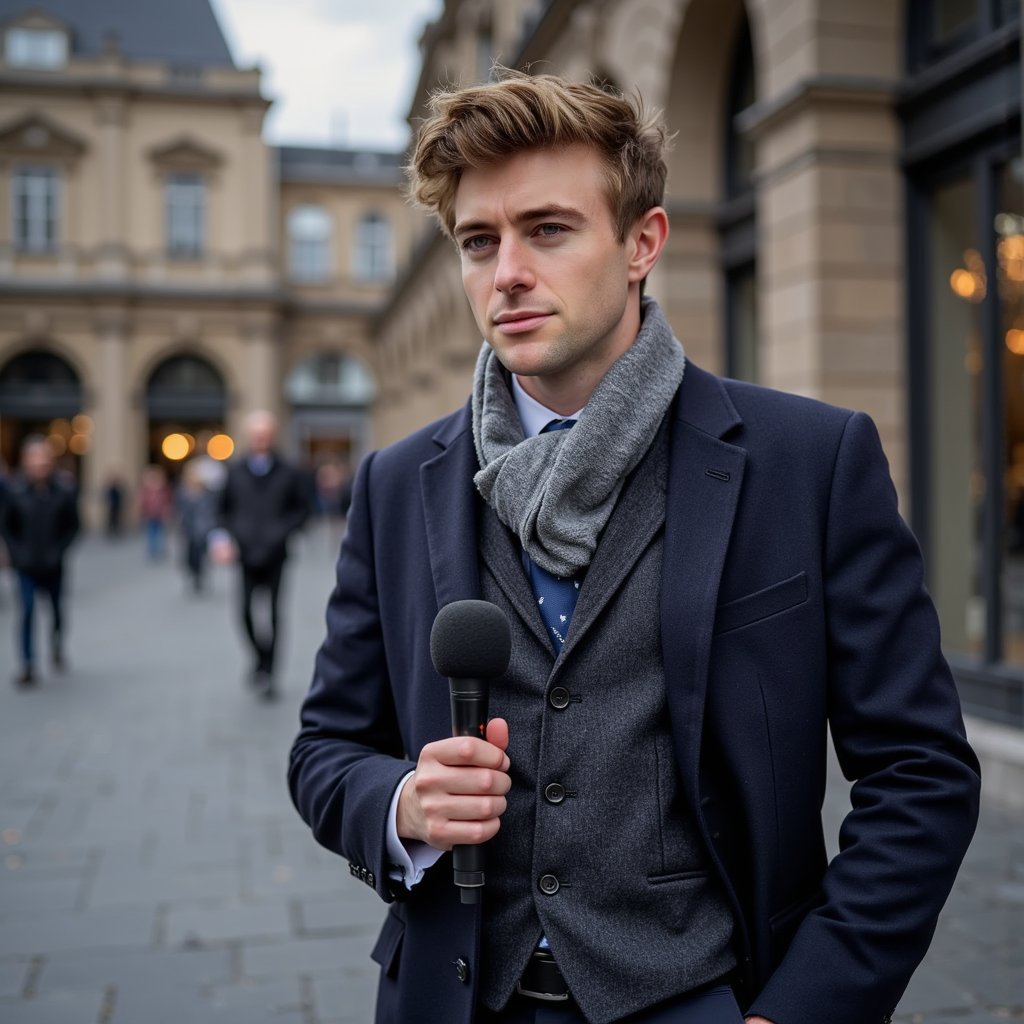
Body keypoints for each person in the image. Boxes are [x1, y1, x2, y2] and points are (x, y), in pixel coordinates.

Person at [287, 73, 981, 1024]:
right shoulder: (397, 483)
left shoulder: (808, 463)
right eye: (479, 242)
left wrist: (807, 1008)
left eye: (550, 230)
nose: (508, 273)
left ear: (642, 244)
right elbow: (324, 747)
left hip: (703, 996)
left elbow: (920, 772)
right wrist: (401, 804)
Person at [215, 410, 309, 698]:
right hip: (244, 554)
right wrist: (222, 538)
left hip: (276, 554)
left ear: (273, 436)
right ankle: (260, 657)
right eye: (256, 435)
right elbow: (222, 510)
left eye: (265, 434)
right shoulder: (235, 471)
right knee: (243, 612)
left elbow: (303, 510)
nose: (261, 440)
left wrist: (282, 531)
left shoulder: (289, 471)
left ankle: (270, 673)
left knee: (274, 615)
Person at [1, 436, 79, 687]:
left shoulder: (63, 490)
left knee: (56, 611)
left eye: (43, 459)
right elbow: (7, 526)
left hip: (53, 564)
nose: (39, 465)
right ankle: (27, 663)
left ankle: (56, 646)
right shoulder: (15, 491)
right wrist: (16, 553)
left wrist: (60, 550)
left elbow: (73, 526)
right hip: (25, 565)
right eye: (34, 460)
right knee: (26, 612)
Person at [177, 462, 217, 593]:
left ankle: (200, 576)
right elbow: (180, 510)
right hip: (189, 528)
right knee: (190, 554)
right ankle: (193, 573)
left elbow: (211, 510)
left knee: (202, 554)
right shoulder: (183, 492)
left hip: (204, 528)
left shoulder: (207, 493)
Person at [137, 464, 172, 561]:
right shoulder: (146, 490)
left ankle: (160, 549)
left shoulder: (163, 489)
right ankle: (152, 550)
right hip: (149, 514)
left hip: (160, 514)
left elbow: (167, 501)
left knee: (160, 532)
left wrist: (166, 510)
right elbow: (142, 501)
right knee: (151, 533)